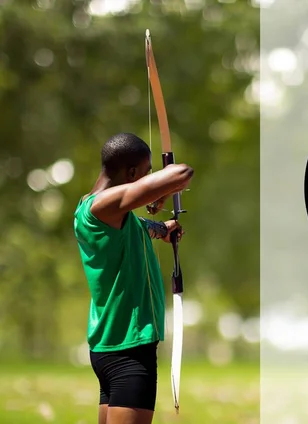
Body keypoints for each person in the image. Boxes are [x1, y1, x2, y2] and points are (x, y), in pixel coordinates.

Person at [73, 132, 194, 424]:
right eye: (146, 171)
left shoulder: (106, 213)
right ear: (131, 173)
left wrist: (162, 228)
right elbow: (182, 173)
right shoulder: (101, 206)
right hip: (128, 349)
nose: (148, 178)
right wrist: (162, 189)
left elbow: (141, 227)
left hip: (112, 347)